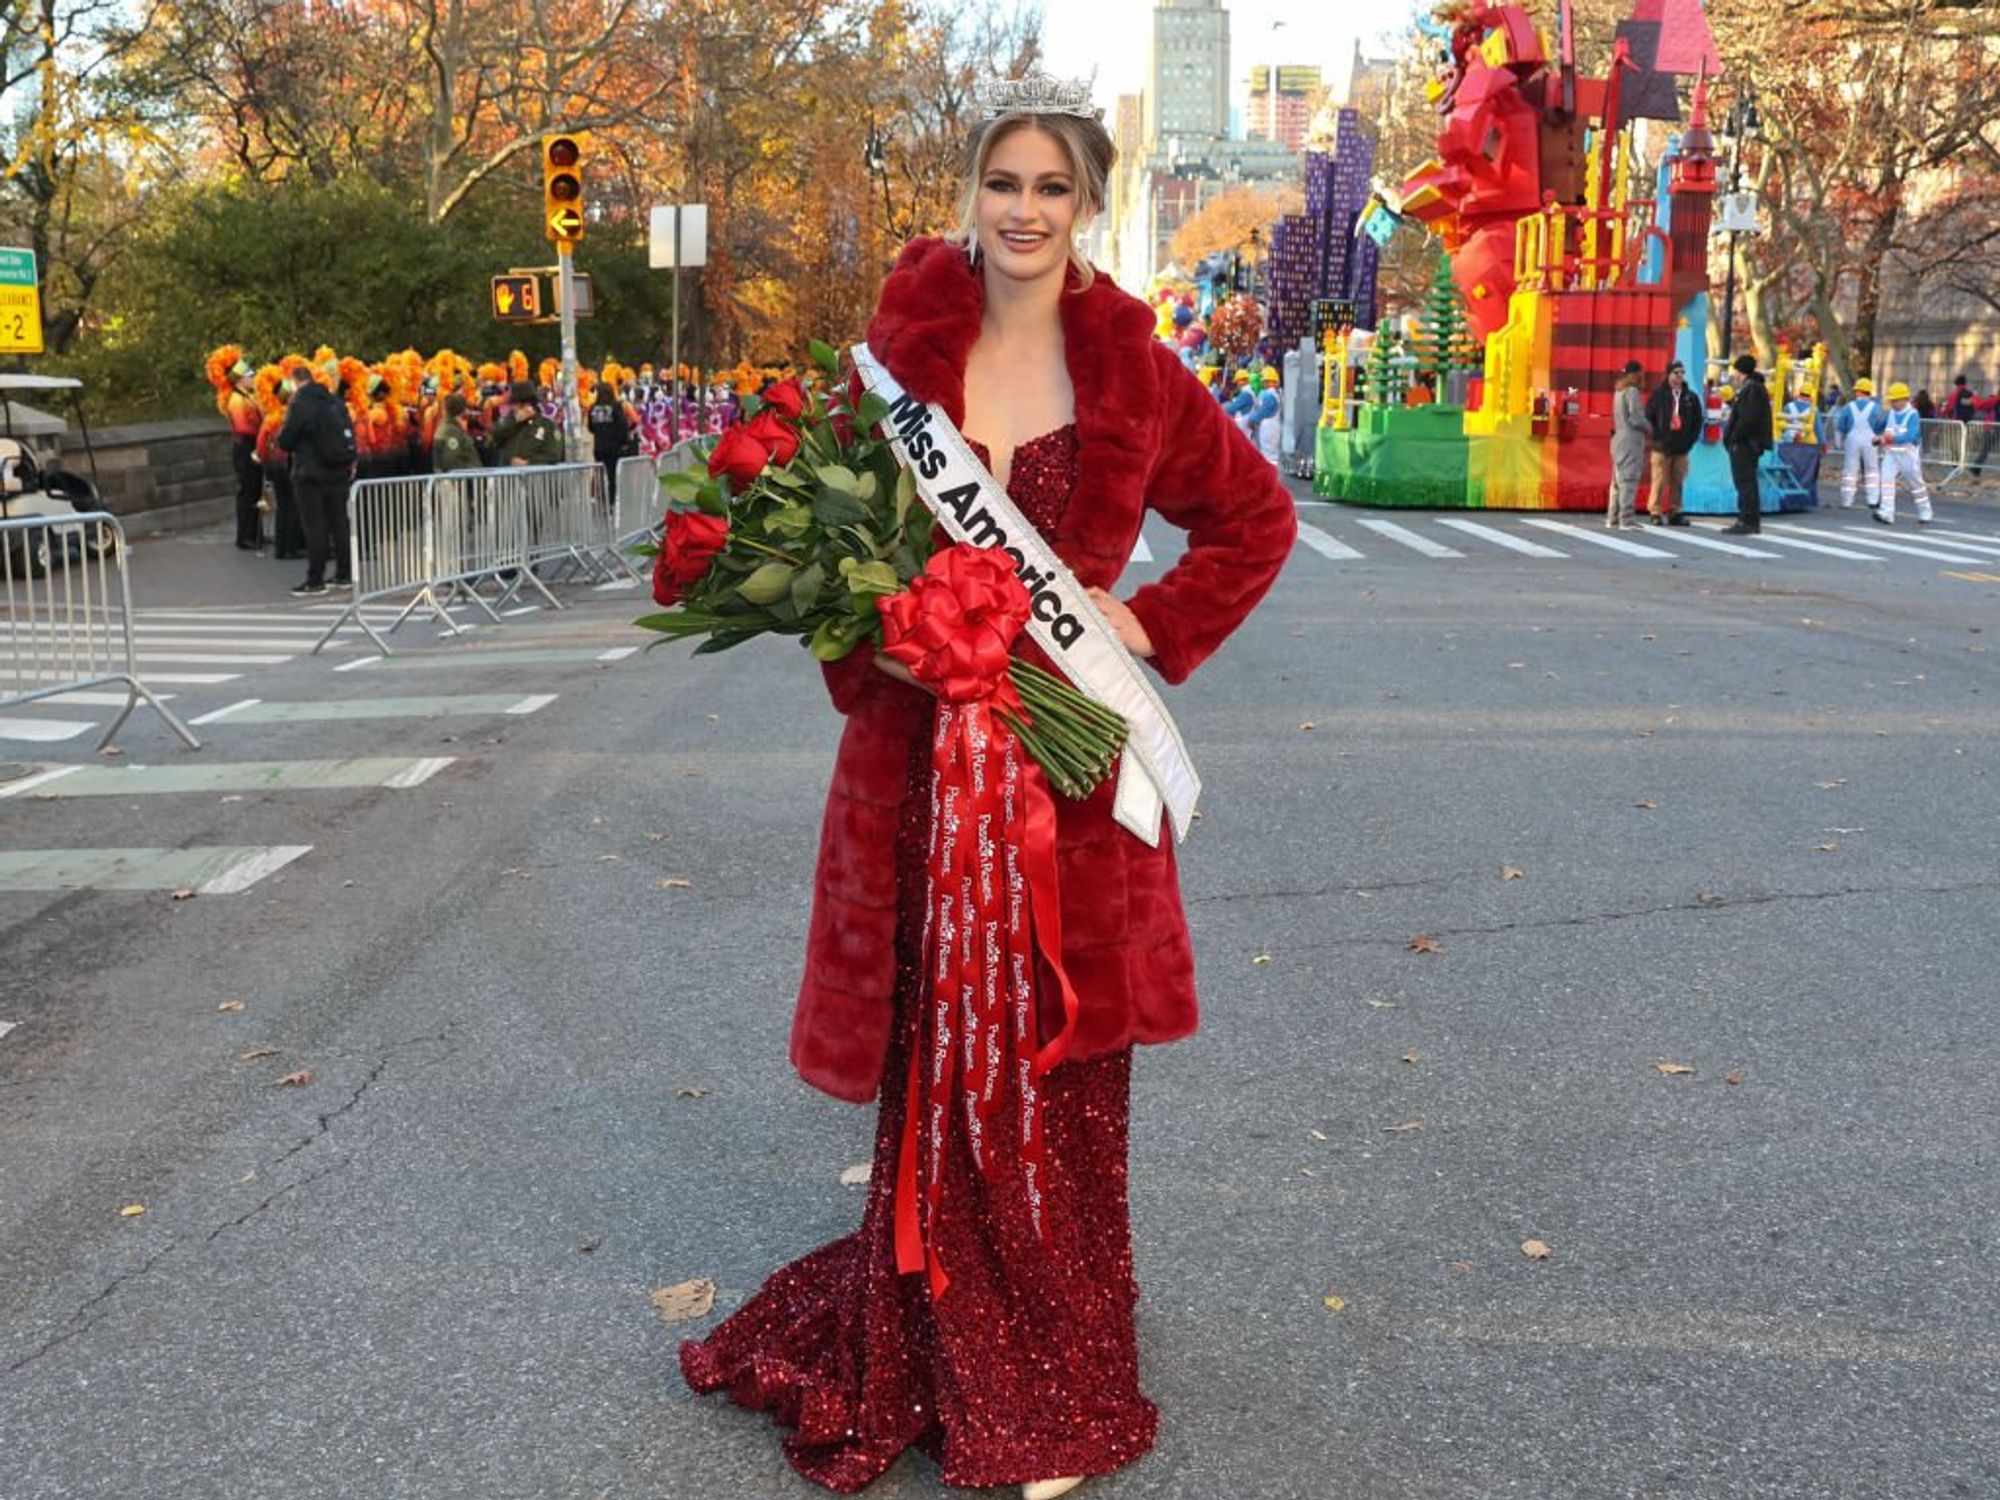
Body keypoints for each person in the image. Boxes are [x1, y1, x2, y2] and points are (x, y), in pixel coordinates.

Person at [677, 75, 1297, 1500]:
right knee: (934, 1058)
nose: (1024, 211)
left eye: (1052, 189)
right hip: (915, 782)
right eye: (1003, 184)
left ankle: (1048, 1360)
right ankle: (925, 1332)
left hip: (1066, 796)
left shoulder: (1135, 370)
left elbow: (1253, 519)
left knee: (1055, 1066)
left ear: (1088, 209)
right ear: (972, 194)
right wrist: (885, 633)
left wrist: (1143, 620)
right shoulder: (899, 359)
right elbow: (823, 563)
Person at [273, 364, 357, 597]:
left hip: (310, 473)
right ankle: (344, 574)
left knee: (315, 526)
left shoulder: (300, 403)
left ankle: (315, 579)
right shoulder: (334, 401)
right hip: (338, 471)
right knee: (339, 522)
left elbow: (286, 439)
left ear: (294, 382)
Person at [1642, 359, 1700, 525]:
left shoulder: (1690, 397)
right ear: (1668, 375)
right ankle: (1655, 511)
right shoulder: (1658, 395)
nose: (1679, 376)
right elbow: (1649, 418)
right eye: (1676, 373)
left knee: (1678, 480)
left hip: (1681, 446)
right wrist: (1655, 438)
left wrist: (1690, 441)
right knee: (1659, 479)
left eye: (1682, 373)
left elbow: (1697, 421)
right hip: (1661, 445)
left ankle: (1675, 511)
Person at [1721, 351, 1773, 534]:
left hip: (1745, 444)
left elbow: (1747, 418)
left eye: (1735, 371)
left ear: (1740, 371)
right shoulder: (1754, 388)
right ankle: (1747, 518)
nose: (1734, 375)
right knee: (1746, 482)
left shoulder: (1752, 389)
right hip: (1747, 443)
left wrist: (1734, 436)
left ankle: (1748, 520)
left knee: (1744, 482)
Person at [1874, 381, 1933, 525]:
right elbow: (1877, 428)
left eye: (1895, 400)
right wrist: (1882, 416)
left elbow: (1910, 437)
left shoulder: (1912, 414)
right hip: (1891, 455)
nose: (1893, 403)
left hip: (1908, 456)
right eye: (1891, 400)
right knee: (1886, 481)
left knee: (1916, 484)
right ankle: (1886, 512)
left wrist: (1887, 439)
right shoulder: (1891, 412)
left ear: (1904, 399)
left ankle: (1925, 511)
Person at [1607, 359, 1649, 528]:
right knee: (1629, 480)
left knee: (1617, 481)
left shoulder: (1618, 391)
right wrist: (1650, 428)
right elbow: (1636, 417)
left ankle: (1613, 517)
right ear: (1635, 374)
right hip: (1631, 439)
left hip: (1618, 437)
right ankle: (1627, 518)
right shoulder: (1632, 391)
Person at [1833, 378, 1886, 508]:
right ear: (1868, 392)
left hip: (1852, 439)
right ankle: (1872, 500)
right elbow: (1880, 426)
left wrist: (1838, 443)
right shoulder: (1876, 408)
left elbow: (1840, 427)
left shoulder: (1848, 407)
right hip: (1870, 439)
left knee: (1850, 470)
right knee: (1872, 469)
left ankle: (1847, 500)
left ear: (1858, 392)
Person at [490, 381, 563, 466]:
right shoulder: (508, 422)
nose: (512, 408)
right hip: (508, 476)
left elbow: (553, 455)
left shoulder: (547, 426)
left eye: (515, 404)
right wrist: (513, 421)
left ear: (527, 405)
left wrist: (528, 463)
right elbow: (493, 439)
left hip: (534, 476)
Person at [585, 368, 631, 502]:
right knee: (612, 474)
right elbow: (622, 425)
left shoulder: (593, 408)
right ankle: (610, 500)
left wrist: (600, 432)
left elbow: (590, 427)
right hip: (614, 447)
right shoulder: (615, 407)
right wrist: (624, 442)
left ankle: (599, 498)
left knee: (599, 473)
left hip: (599, 446)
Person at [430, 392, 481, 473]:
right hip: (460, 482)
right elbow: (453, 462)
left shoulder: (453, 429)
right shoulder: (450, 432)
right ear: (461, 410)